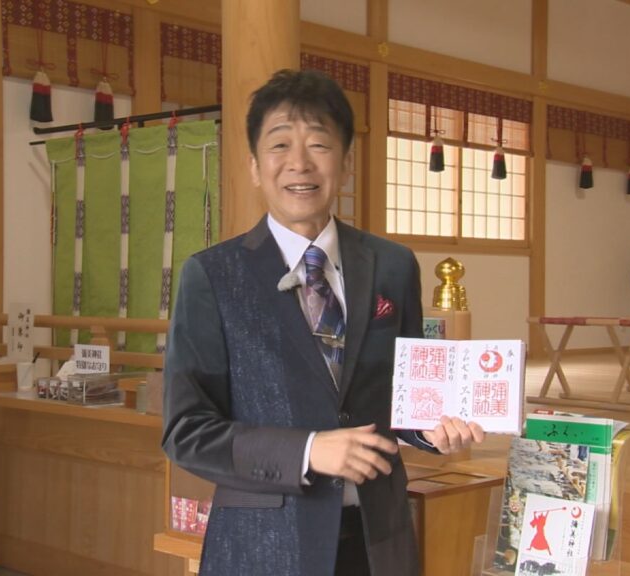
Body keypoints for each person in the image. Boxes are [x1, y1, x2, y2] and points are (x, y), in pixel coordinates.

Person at [161, 68, 485, 576]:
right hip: (264, 546)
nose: (300, 163)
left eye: (318, 144)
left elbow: (402, 397)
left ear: (346, 162)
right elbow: (187, 432)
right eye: (280, 145)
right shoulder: (212, 276)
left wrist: (432, 430)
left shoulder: (393, 265)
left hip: (377, 539)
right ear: (254, 166)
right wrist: (310, 451)